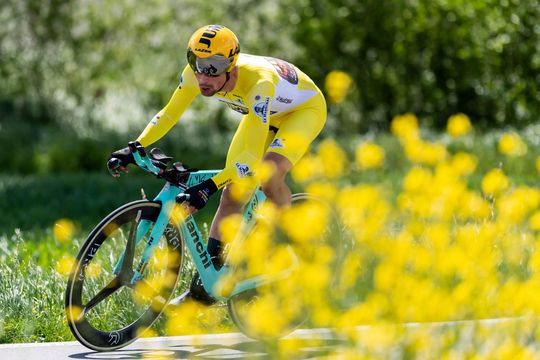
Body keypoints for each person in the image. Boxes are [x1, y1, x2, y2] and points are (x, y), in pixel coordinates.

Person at [108, 24, 327, 305]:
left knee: (268, 176)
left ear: (232, 66)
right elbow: (169, 114)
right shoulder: (197, 74)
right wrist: (135, 145)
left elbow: (248, 162)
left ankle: (284, 242)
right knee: (233, 193)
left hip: (302, 111)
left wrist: (207, 187)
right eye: (197, 63)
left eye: (213, 67)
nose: (203, 76)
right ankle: (205, 288)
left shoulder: (259, 82)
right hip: (263, 113)